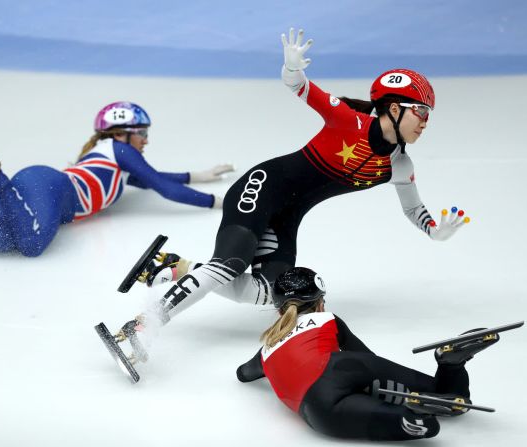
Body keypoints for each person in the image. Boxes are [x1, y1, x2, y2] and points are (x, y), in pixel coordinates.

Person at [120, 28, 471, 330]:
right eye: (421, 112)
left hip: (287, 216)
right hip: (260, 188)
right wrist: (292, 66)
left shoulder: (400, 167)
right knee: (230, 264)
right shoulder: (348, 121)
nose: (426, 121)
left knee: (268, 292)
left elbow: (414, 210)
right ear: (395, 108)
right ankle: (141, 326)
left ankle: (171, 268)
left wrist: (434, 232)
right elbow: (298, 85)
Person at [0, 101, 233, 257]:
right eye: (141, 132)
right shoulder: (118, 150)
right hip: (45, 192)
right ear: (123, 134)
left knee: (5, 242)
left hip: (27, 199)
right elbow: (164, 188)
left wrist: (201, 175)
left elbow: (156, 179)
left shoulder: (115, 165)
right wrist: (220, 202)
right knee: (30, 247)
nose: (146, 139)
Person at [236, 267, 498, 441]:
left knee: (426, 427)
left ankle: (412, 413)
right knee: (453, 397)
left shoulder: (266, 349)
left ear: (279, 310)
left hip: (317, 404)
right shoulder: (327, 318)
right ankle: (448, 364)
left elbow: (243, 374)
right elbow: (366, 356)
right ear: (320, 302)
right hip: (347, 366)